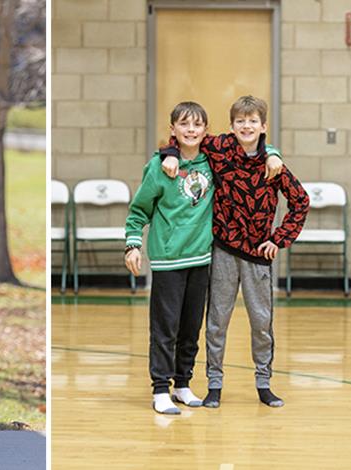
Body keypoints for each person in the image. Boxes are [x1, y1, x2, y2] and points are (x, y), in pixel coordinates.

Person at [196, 96, 306, 407]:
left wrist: (279, 238)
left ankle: (263, 382)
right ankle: (214, 385)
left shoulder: (274, 166)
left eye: (253, 121)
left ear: (263, 126)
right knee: (217, 319)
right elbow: (186, 139)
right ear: (231, 126)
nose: (247, 126)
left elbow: (301, 201)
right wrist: (169, 155)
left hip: (259, 254)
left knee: (261, 322)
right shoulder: (218, 149)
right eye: (240, 121)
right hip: (224, 250)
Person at [125, 102, 222, 414]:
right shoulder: (160, 166)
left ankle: (182, 384)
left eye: (196, 125)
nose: (190, 130)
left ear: (206, 130)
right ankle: (160, 389)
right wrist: (132, 244)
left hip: (201, 259)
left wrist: (271, 151)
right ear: (173, 130)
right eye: (184, 124)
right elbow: (139, 209)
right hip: (169, 259)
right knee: (165, 327)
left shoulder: (213, 163)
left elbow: (250, 142)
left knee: (191, 327)